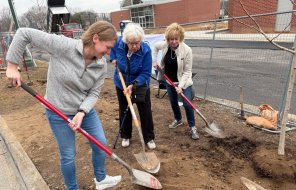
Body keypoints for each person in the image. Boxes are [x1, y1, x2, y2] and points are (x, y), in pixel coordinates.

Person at [6, 21, 122, 190]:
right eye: (108, 47)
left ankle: (101, 179)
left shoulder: (101, 65)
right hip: (58, 112)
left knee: (100, 143)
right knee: (68, 155)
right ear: (95, 38)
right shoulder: (64, 46)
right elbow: (24, 33)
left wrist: (82, 112)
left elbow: (94, 93)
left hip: (84, 111)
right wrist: (12, 65)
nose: (110, 53)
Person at [110, 23, 156, 149]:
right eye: (132, 43)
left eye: (137, 42)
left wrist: (134, 84)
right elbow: (111, 50)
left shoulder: (146, 50)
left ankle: (149, 138)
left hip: (140, 84)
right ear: (126, 41)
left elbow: (146, 72)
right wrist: (113, 58)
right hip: (121, 83)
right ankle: (125, 135)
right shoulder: (119, 43)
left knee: (145, 111)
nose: (135, 46)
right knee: (124, 109)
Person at [152, 22, 199, 140]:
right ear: (167, 39)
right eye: (171, 39)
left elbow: (188, 71)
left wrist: (181, 86)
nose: (173, 41)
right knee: (173, 103)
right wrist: (154, 61)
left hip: (183, 82)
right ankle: (178, 119)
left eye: (176, 39)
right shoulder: (164, 45)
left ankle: (192, 126)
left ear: (180, 38)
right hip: (169, 81)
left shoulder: (187, 50)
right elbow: (155, 48)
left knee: (188, 105)